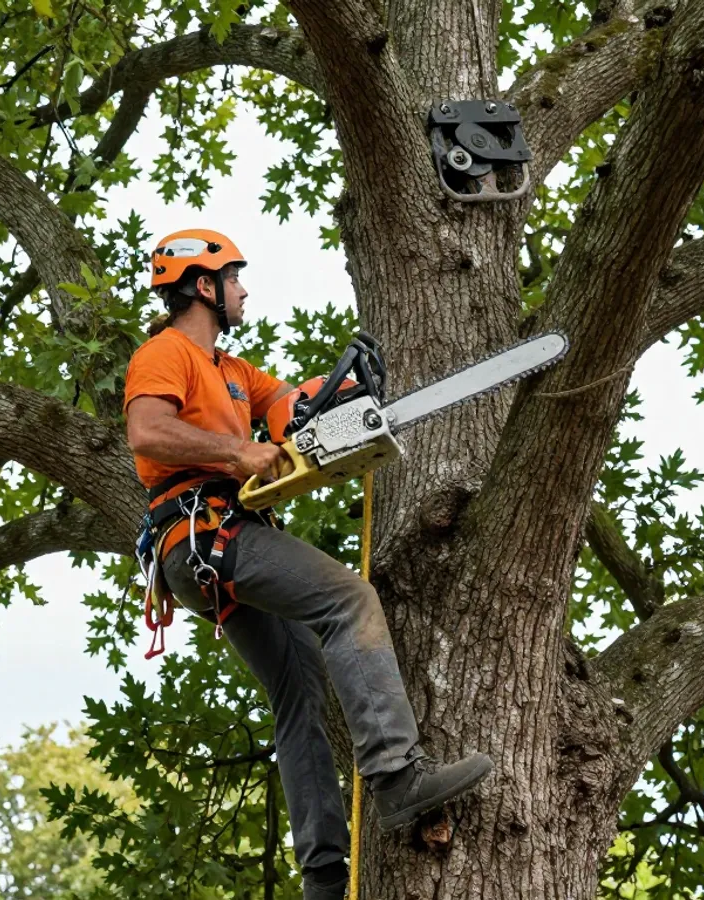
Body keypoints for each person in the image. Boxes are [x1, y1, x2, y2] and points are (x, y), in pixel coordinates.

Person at [123, 229, 493, 900]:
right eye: (233, 279)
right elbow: (147, 432)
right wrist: (237, 456)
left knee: (299, 692)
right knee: (349, 601)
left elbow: (287, 408)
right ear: (202, 287)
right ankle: (397, 775)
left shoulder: (234, 372)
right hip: (206, 531)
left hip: (224, 542)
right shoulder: (165, 352)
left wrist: (337, 391)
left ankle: (322, 876)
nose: (243, 290)